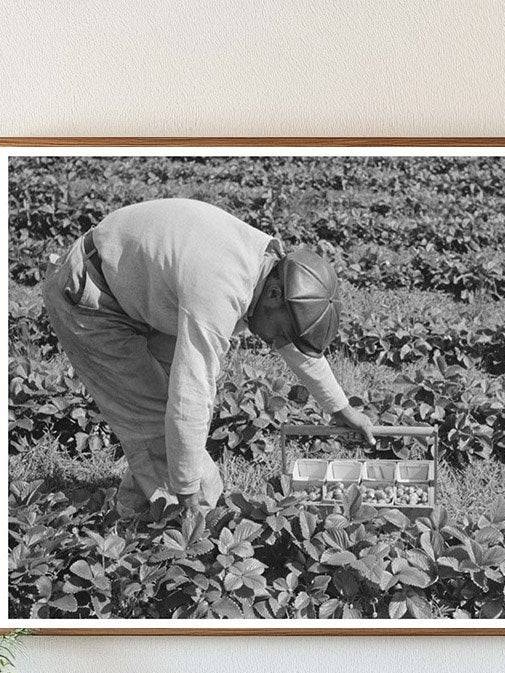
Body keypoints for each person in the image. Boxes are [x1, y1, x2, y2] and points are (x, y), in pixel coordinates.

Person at [42, 197, 375, 518]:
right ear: (274, 294)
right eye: (282, 333)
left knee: (167, 426)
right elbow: (192, 394)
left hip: (140, 288)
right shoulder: (220, 288)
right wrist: (188, 489)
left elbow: (293, 343)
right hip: (90, 295)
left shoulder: (266, 268)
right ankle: (170, 529)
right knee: (156, 420)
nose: (278, 343)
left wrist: (341, 409)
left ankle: (144, 506)